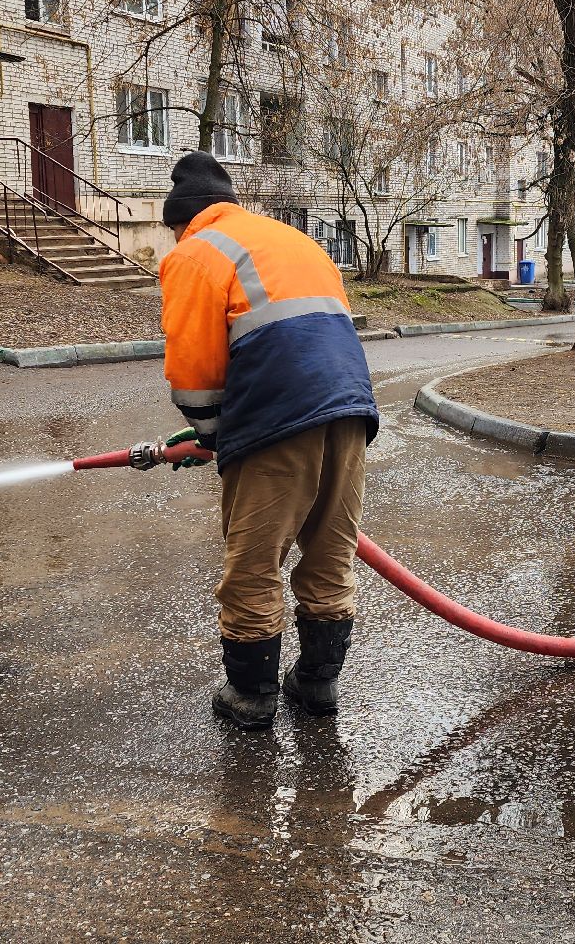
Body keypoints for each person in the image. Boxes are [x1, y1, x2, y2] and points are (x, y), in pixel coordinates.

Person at [154, 152, 380, 731]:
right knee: (330, 550)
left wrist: (212, 435)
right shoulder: (291, 239)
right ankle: (316, 684)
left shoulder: (195, 252)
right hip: (351, 407)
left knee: (254, 561)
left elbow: (195, 370)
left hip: (279, 417)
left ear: (183, 220)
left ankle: (251, 696)